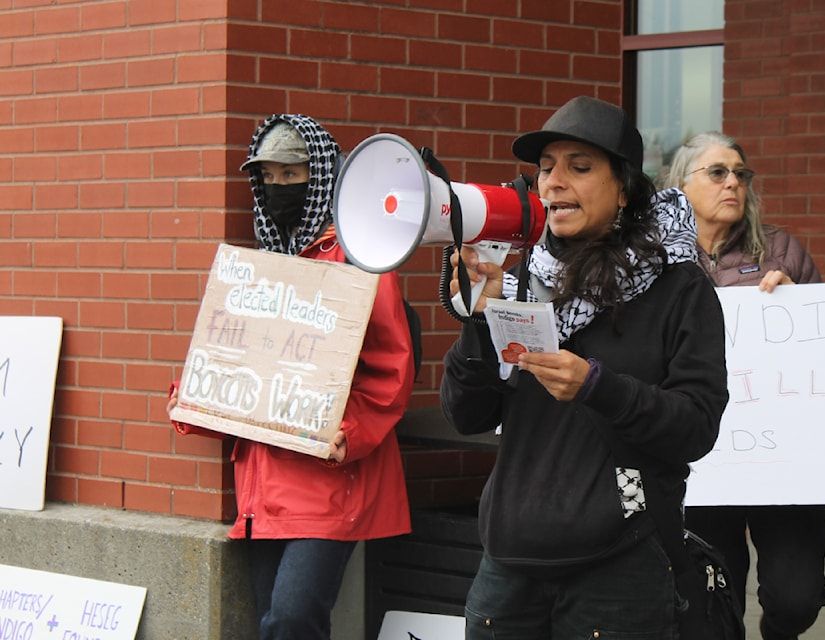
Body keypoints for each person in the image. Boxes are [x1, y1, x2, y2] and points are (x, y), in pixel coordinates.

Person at [440, 96, 730, 638]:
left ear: (623, 187)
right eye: (546, 168)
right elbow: (467, 413)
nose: (554, 182)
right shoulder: (524, 280)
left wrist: (598, 386)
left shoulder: (678, 288)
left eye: (579, 167)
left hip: (621, 562)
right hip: (508, 563)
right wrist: (479, 320)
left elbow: (696, 426)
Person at [167, 114, 415, 640]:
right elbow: (234, 364)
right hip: (263, 486)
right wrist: (191, 397)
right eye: (270, 178)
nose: (279, 188)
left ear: (322, 176)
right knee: (275, 624)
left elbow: (392, 367)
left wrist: (350, 430)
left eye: (293, 174)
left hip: (329, 482)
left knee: (292, 619)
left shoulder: (360, 258)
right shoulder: (255, 268)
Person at [659, 131, 825, 640]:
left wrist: (801, 308)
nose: (733, 182)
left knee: (796, 596)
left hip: (782, 456)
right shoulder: (655, 261)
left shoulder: (781, 251)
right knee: (714, 593)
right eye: (717, 172)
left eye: (741, 173)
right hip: (701, 460)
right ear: (680, 185)